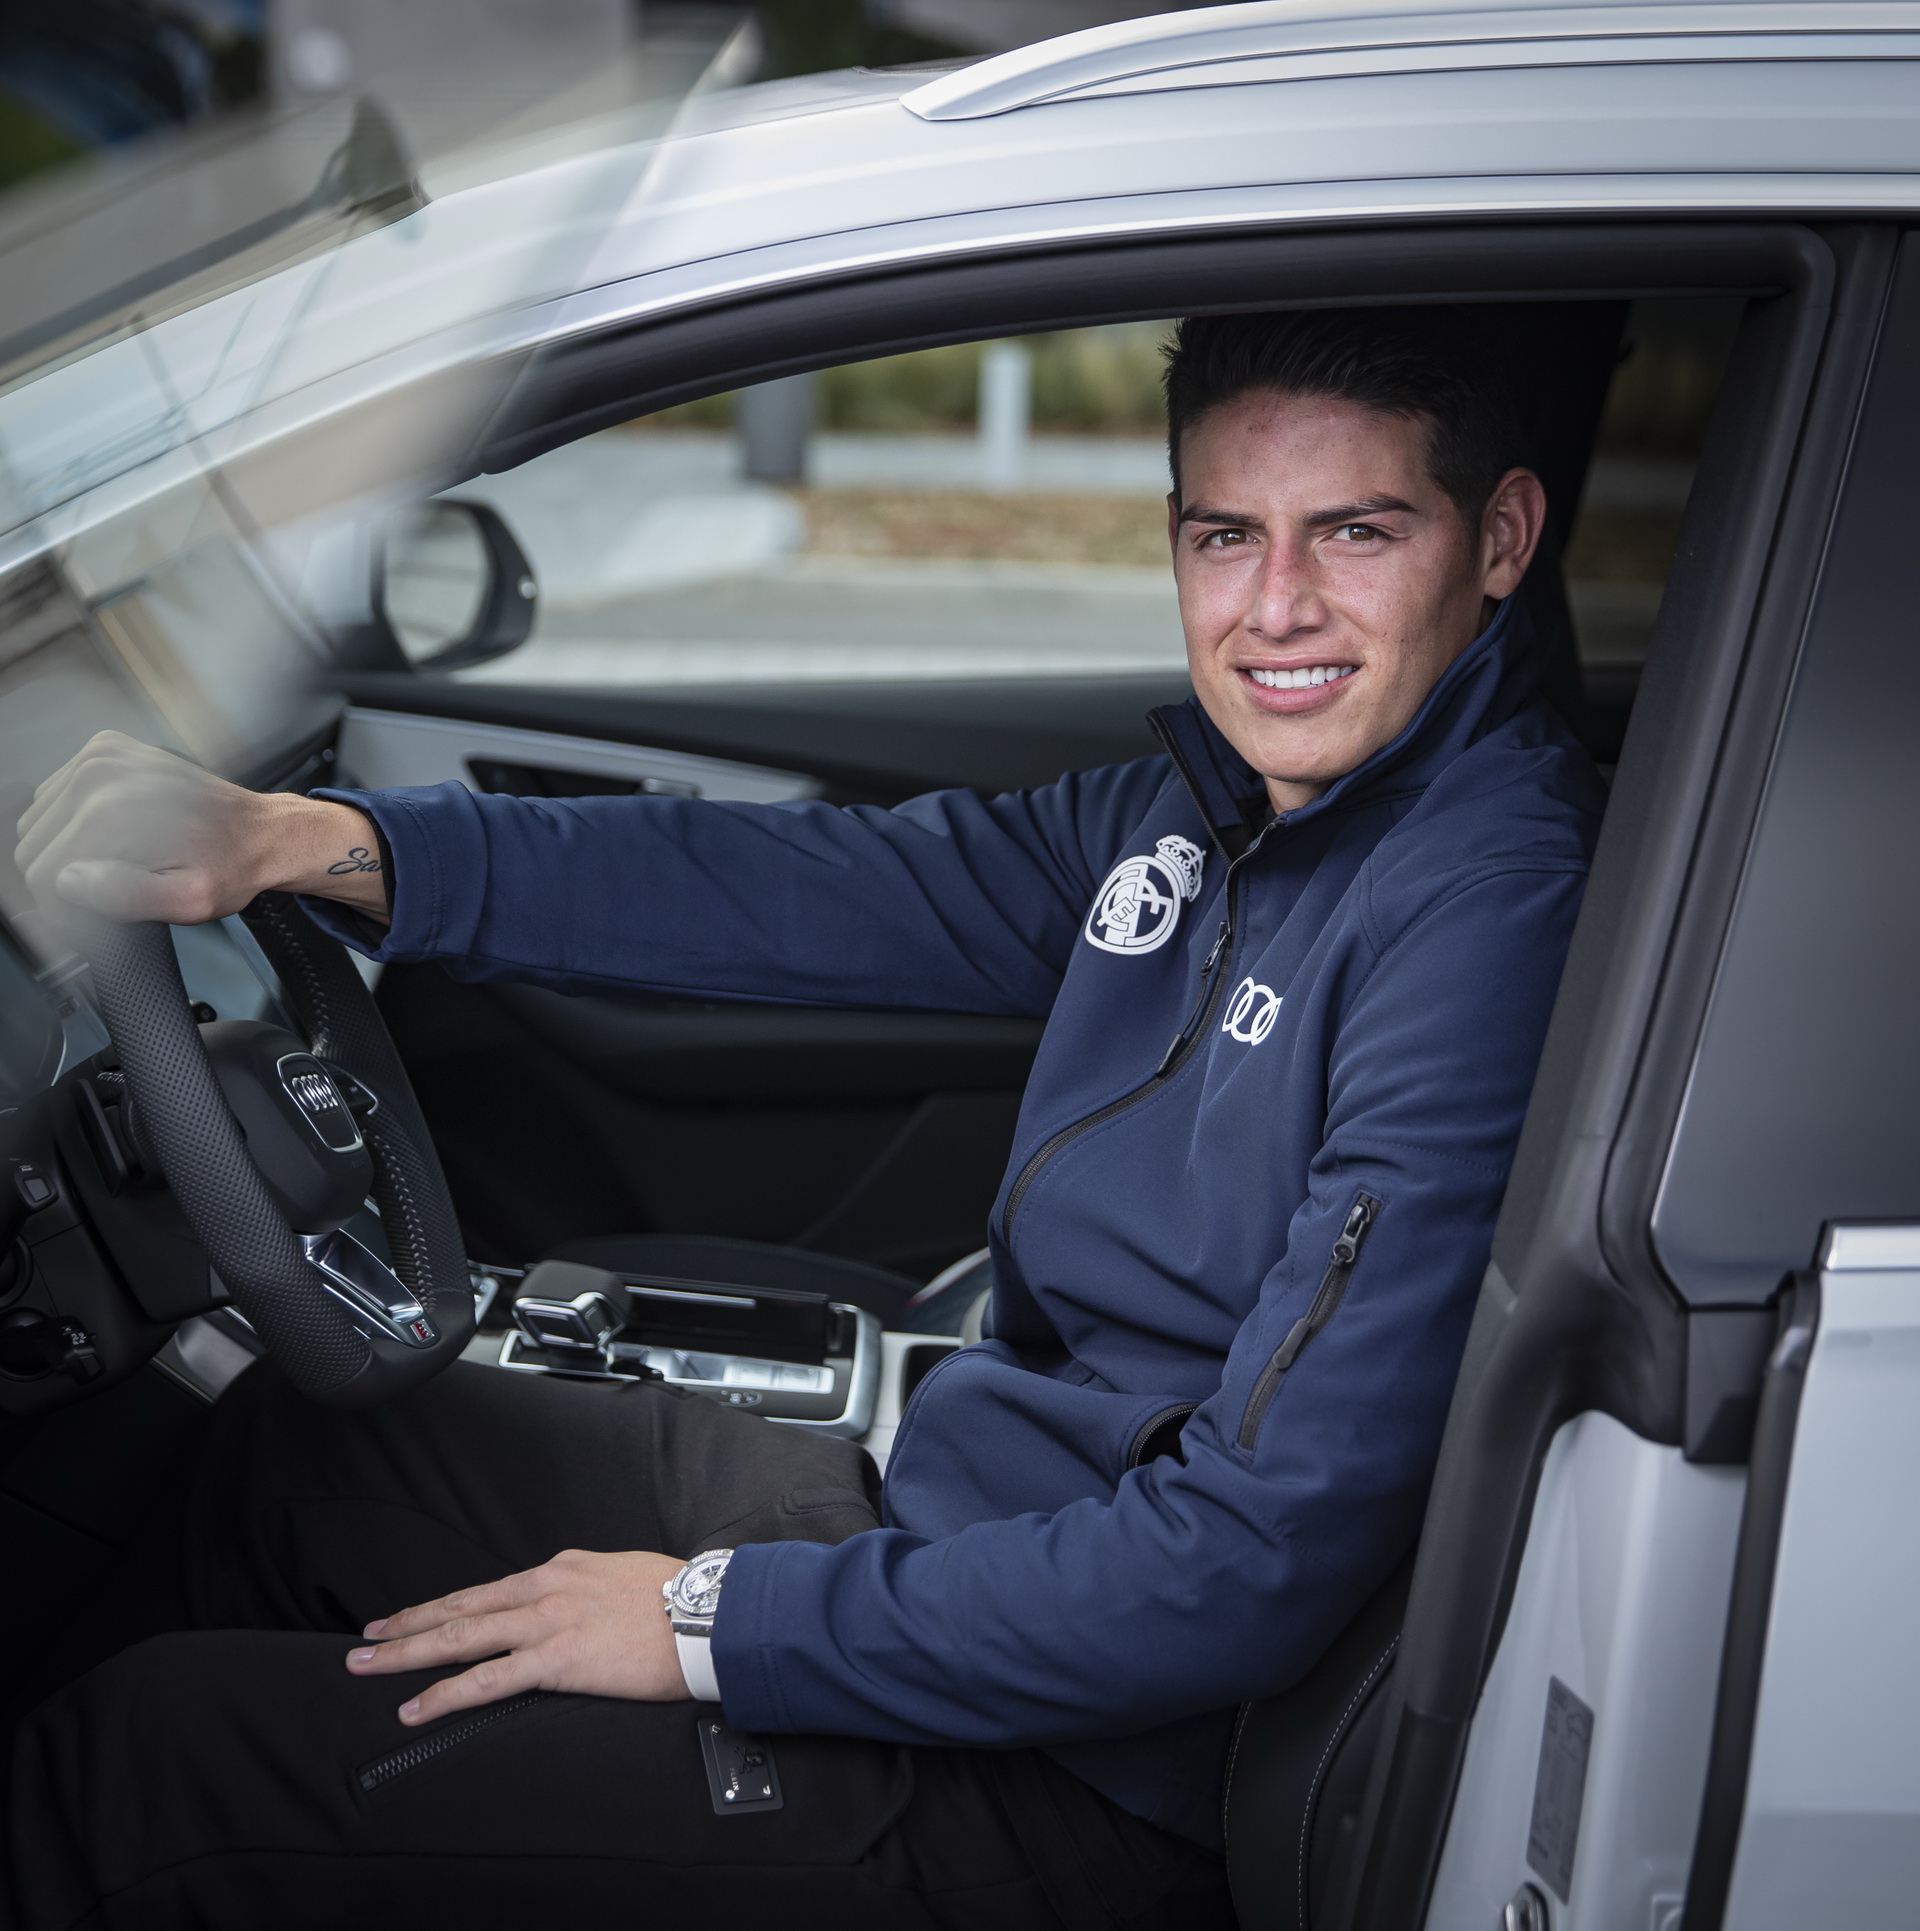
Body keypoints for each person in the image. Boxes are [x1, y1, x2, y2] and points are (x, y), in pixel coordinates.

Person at [5, 308, 1605, 1929]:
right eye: (1224, 536)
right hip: (949, 1533)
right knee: (291, 1458)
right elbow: (799, 888)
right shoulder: (1212, 817)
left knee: (145, 1770)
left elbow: (1245, 1563)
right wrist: (314, 840)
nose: (1277, 608)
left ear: (1501, 539)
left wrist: (709, 1627)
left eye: (1356, 532)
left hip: (1082, 1773)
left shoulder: (1483, 917)